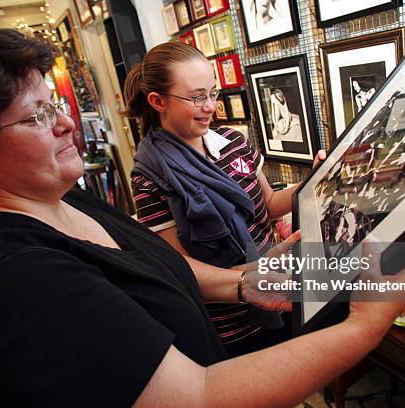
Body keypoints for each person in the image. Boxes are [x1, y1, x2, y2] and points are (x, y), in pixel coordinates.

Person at [0, 27, 405, 407]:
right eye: (36, 116)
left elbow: (161, 268)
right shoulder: (22, 278)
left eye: (55, 104)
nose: (64, 124)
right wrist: (367, 322)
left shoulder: (64, 201)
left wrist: (248, 282)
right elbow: (198, 396)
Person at [126, 42, 325, 356]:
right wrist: (254, 273)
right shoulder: (150, 178)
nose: (210, 107)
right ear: (157, 101)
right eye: (197, 97)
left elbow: (270, 204)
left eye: (213, 93)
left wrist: (317, 180)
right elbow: (181, 270)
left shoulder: (234, 141)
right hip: (232, 325)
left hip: (282, 288)